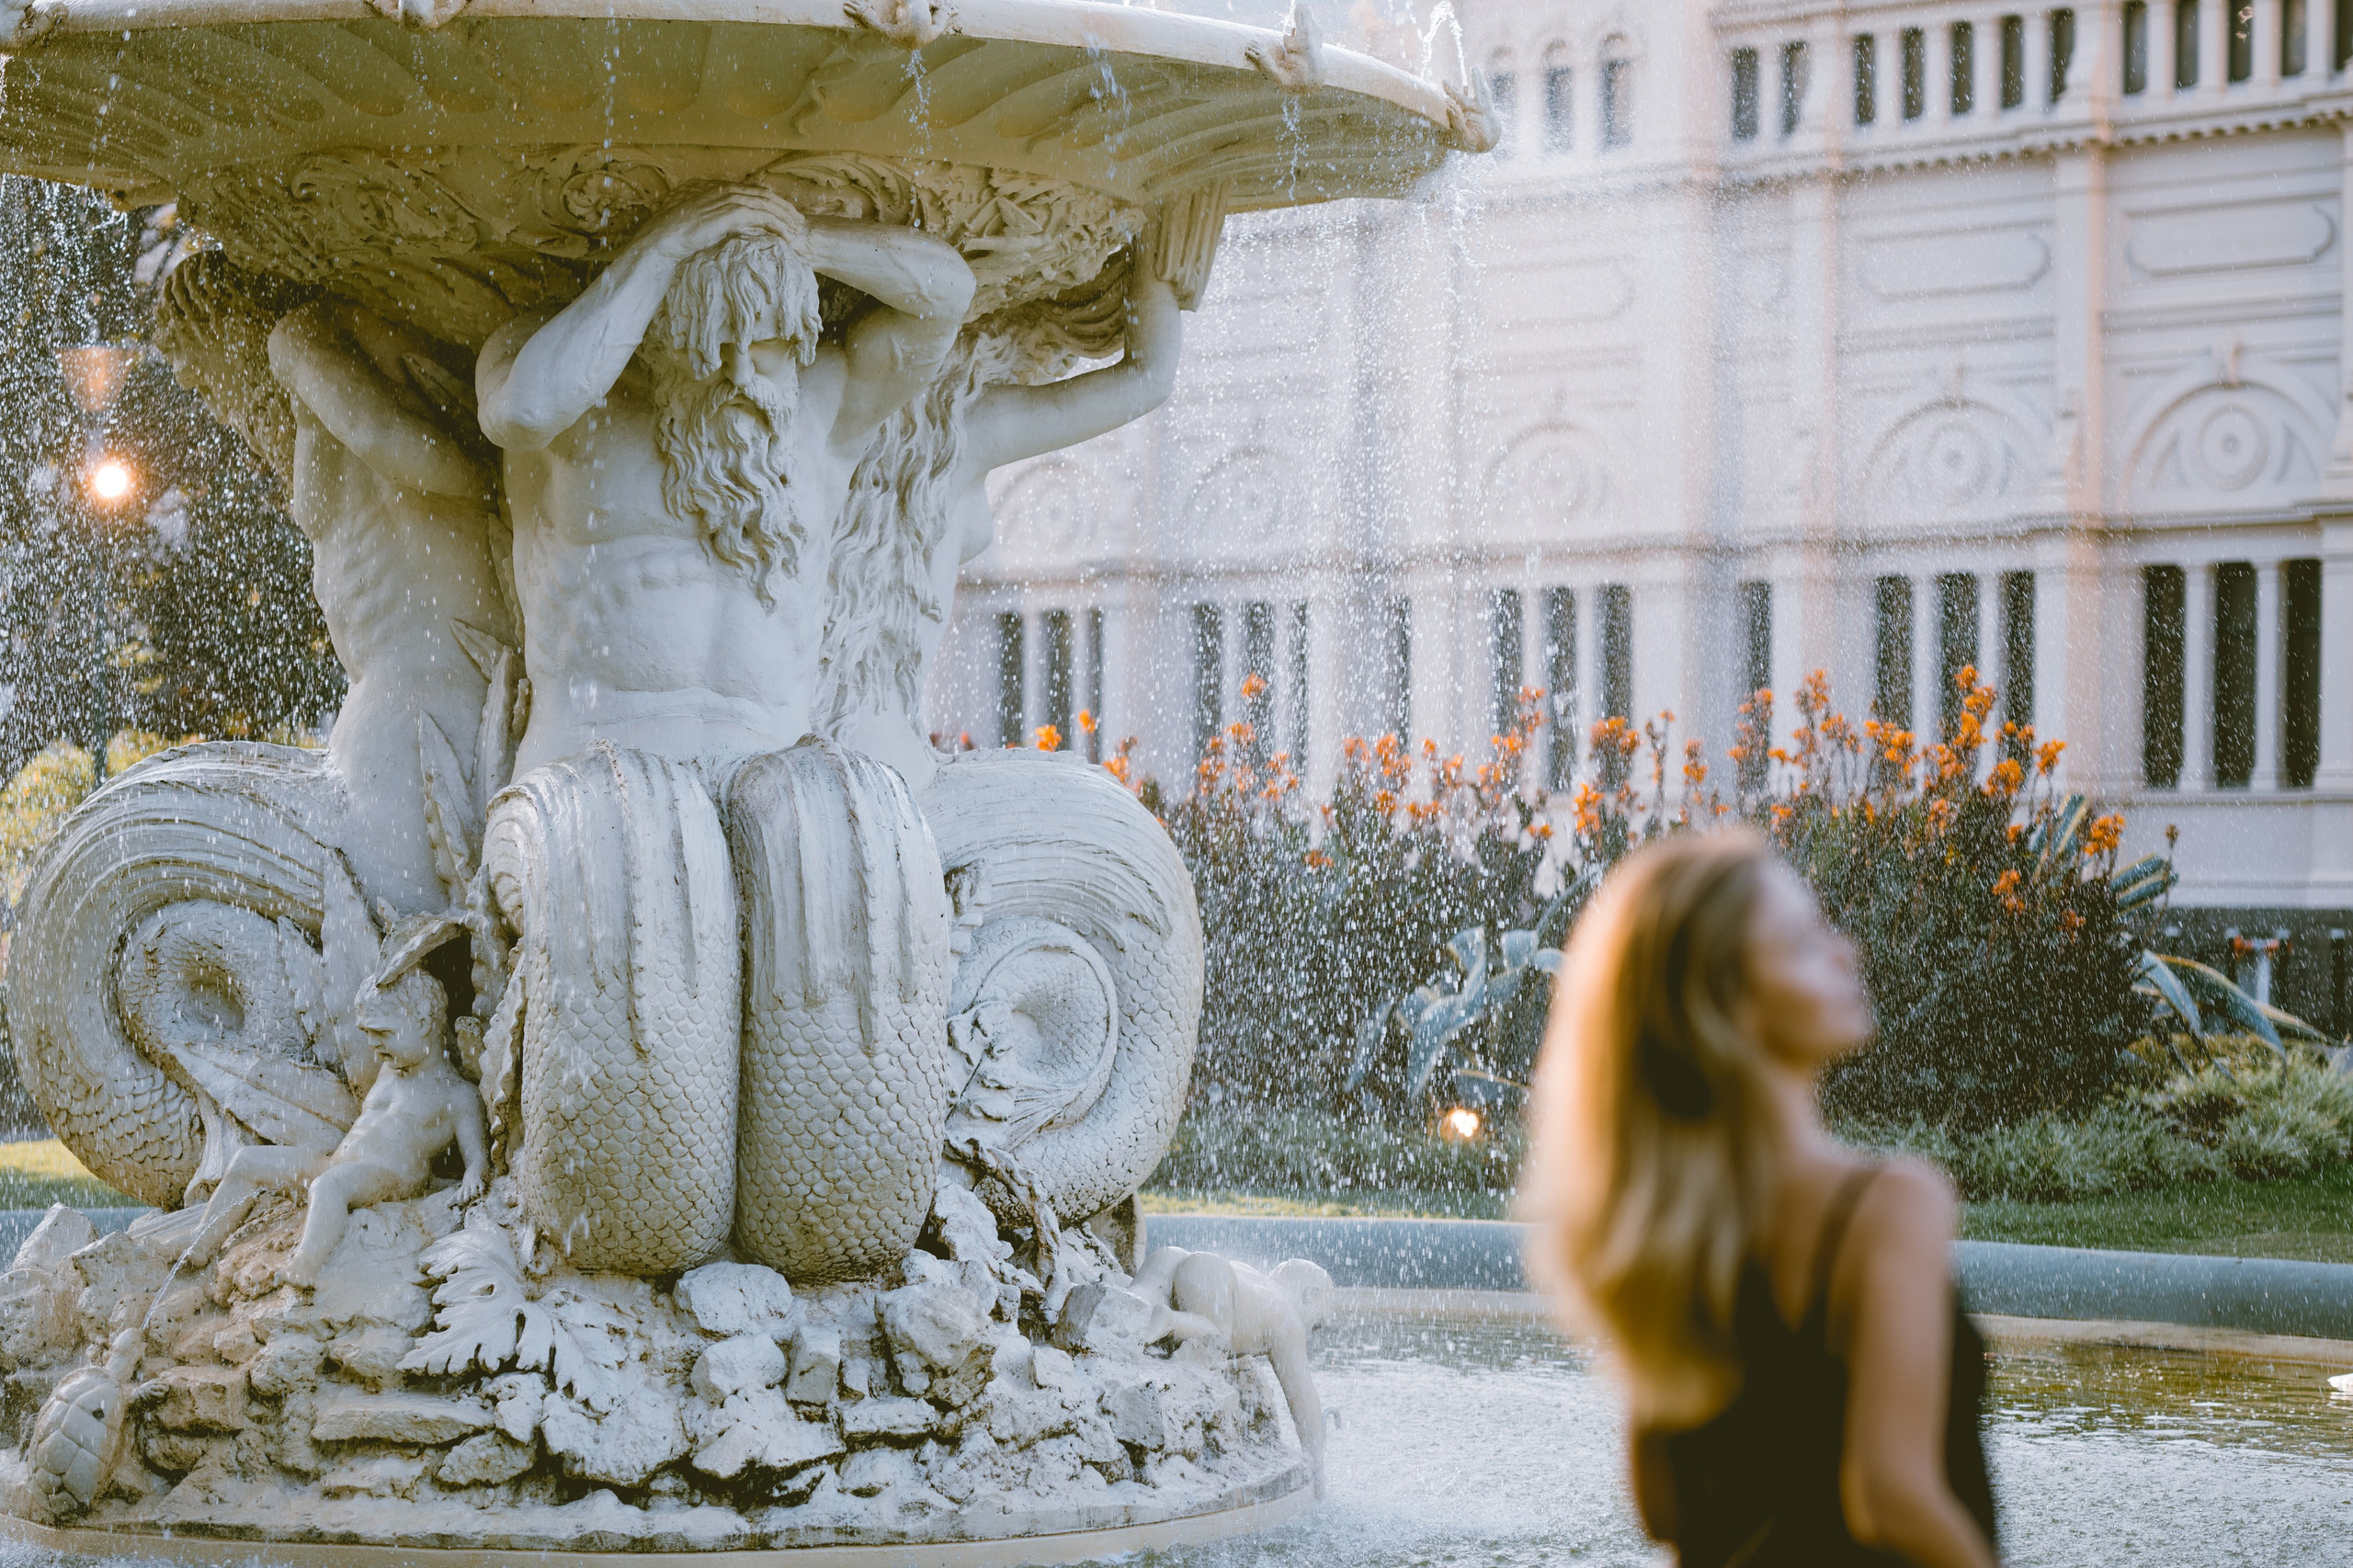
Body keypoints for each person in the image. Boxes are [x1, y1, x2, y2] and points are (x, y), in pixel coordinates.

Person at [1522, 833, 2000, 1568]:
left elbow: (1659, 1505)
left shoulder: (1669, 1235)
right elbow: (1889, 1494)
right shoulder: (1889, 1207)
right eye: (1804, 943)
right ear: (1733, 1003)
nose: (1848, 954)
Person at [475, 179, 974, 777]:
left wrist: (800, 238)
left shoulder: (825, 408)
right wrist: (664, 248)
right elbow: (523, 411)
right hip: (593, 774)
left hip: (779, 780)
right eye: (712, 347)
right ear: (663, 337)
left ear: (798, 343)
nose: (739, 374)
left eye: (764, 348)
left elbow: (947, 298)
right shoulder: (577, 402)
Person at [153, 259, 515, 911]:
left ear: (228, 330)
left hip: (422, 692)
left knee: (370, 919)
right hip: (407, 690)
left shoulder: (298, 340)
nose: (219, 408)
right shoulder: (317, 392)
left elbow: (390, 437)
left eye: (203, 383)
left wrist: (482, 479)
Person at [816, 256, 1181, 795]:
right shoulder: (967, 427)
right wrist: (1163, 245)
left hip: (809, 743)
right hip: (892, 763)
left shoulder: (822, 411)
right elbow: (1148, 378)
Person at [175, 955, 489, 1288]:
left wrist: (473, 1175)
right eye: (367, 1033)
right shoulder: (388, 1070)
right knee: (247, 1161)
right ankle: (200, 1244)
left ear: (424, 1022)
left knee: (329, 1187)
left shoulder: (457, 1094)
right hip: (336, 1163)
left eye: (383, 1032)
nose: (373, 1044)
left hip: (392, 1177)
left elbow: (477, 1157)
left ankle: (306, 1265)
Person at [1131, 1245, 1335, 1489]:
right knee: (1215, 1337)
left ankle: (1126, 1294)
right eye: (1318, 1324)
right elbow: (1303, 1398)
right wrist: (1317, 1466)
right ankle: (1172, 1321)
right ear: (1310, 1294)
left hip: (1176, 1256)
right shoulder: (1287, 1320)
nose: (1312, 1332)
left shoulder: (1253, 1277)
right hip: (1214, 1278)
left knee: (1141, 1295)